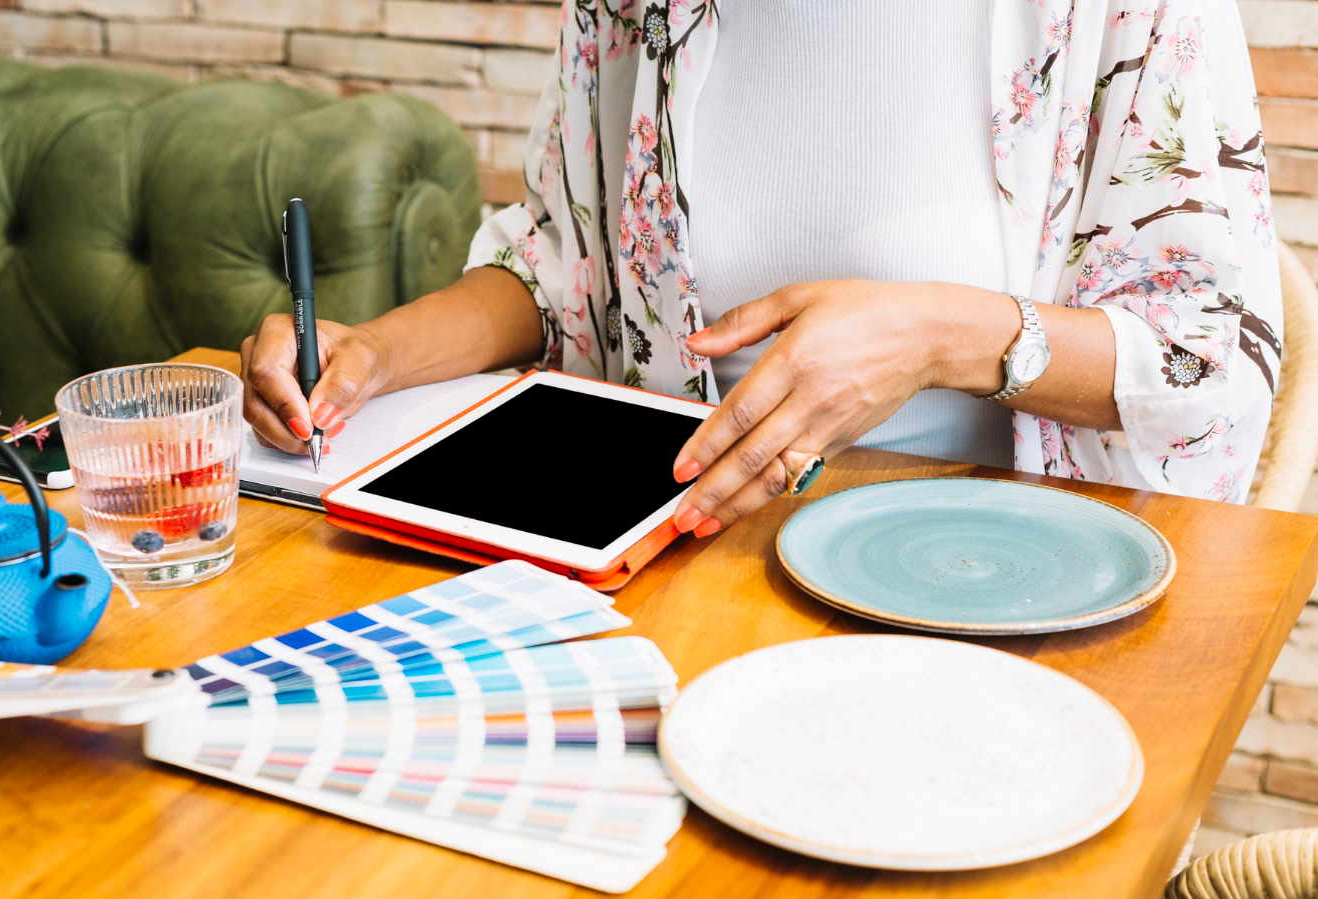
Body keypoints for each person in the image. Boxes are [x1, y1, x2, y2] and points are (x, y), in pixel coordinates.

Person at [242, 0, 1280, 540]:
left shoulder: (1126, 15)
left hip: (976, 589)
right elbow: (564, 267)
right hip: (670, 557)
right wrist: (374, 352)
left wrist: (941, 338)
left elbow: (1212, 364)